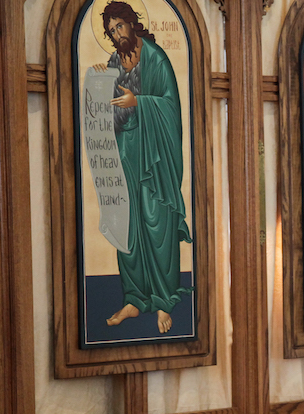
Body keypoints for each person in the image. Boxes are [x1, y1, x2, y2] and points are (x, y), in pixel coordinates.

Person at [94, 1, 190, 335]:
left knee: (155, 221)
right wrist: (100, 83)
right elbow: (108, 109)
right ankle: (134, 297)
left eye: (119, 26)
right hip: (125, 149)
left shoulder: (156, 58)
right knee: (128, 223)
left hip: (154, 156)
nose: (116, 34)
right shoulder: (113, 62)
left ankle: (163, 299)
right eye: (111, 31)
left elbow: (170, 106)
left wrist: (139, 102)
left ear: (132, 23)